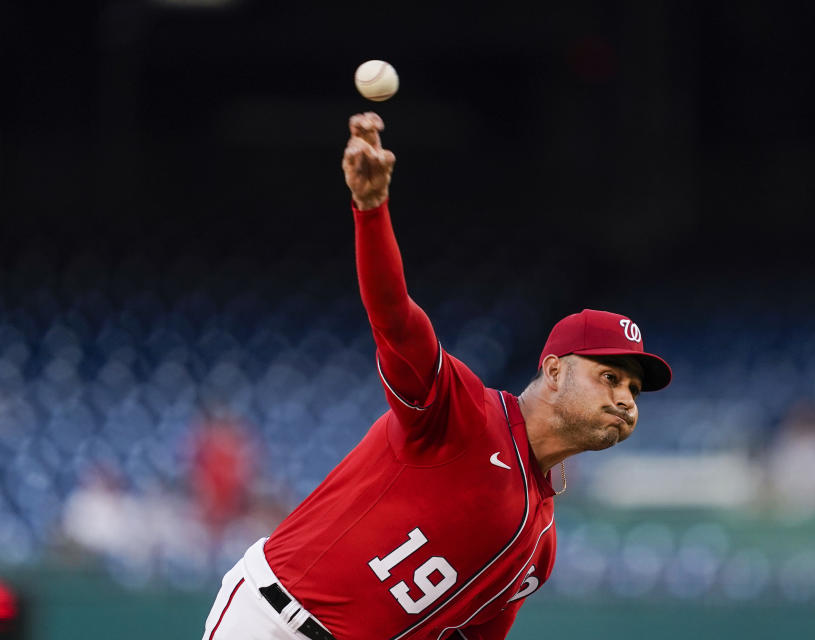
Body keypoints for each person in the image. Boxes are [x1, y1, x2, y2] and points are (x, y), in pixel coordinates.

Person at [201, 112, 672, 640]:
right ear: (555, 371)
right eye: (610, 377)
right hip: (275, 622)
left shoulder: (540, 544)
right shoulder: (464, 411)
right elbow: (395, 318)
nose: (627, 398)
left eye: (633, 388)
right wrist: (371, 211)